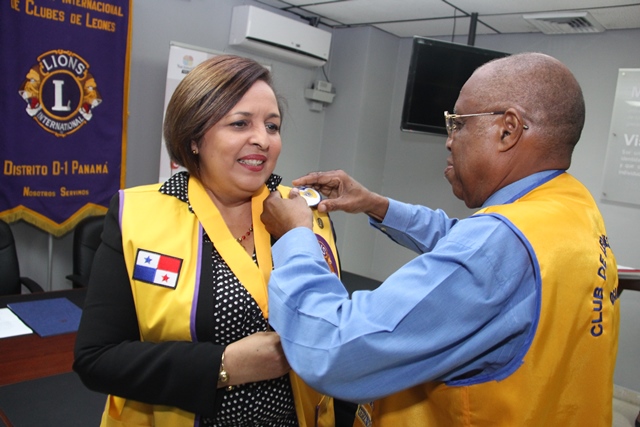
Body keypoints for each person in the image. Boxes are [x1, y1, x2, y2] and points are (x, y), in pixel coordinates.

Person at [260, 52, 620, 426]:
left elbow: (335, 350)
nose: (449, 142)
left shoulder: (496, 246)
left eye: (458, 124)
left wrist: (296, 237)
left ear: (508, 130)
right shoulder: (572, 209)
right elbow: (466, 243)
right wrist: (376, 205)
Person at [73, 55, 352, 427]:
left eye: (272, 126)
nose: (262, 139)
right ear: (194, 138)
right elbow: (97, 359)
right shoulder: (136, 215)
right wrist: (224, 366)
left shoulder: (305, 215)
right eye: (240, 123)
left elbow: (338, 334)